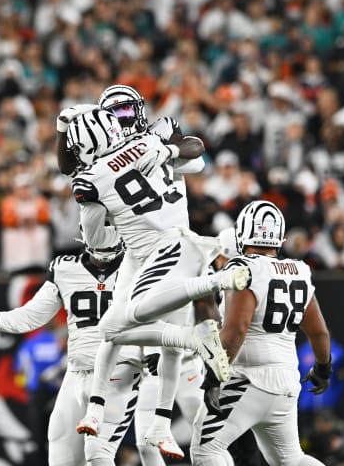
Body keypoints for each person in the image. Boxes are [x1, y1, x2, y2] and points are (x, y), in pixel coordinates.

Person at [67, 109, 247, 459]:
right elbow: (193, 156)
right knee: (139, 336)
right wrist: (166, 150)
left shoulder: (90, 179)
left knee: (117, 326)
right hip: (178, 241)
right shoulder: (149, 140)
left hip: (162, 250)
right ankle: (155, 420)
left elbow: (95, 237)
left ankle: (208, 307)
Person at [0, 230, 145, 466]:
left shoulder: (140, 267)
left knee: (98, 451)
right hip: (77, 371)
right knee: (60, 447)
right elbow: (33, 315)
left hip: (119, 371)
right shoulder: (65, 268)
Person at [190, 200, 330, 466]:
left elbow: (236, 330)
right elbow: (319, 332)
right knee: (290, 459)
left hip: (249, 377)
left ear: (243, 231)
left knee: (205, 449)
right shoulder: (299, 270)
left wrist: (214, 376)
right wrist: (323, 367)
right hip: (286, 380)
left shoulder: (243, 268)